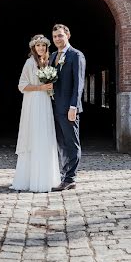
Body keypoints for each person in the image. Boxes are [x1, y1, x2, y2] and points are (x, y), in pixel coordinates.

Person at [11, 34, 61, 192]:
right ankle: (30, 179)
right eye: (38, 45)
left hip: (45, 102)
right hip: (33, 102)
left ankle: (47, 177)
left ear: (46, 48)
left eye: (43, 46)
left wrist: (51, 88)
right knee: (35, 135)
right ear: (33, 47)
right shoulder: (29, 63)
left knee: (45, 136)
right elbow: (22, 85)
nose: (40, 48)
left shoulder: (48, 62)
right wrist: (40, 88)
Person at [50, 24, 86, 191]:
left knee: (71, 143)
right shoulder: (52, 56)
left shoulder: (76, 55)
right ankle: (65, 175)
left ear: (68, 36)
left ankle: (70, 178)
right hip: (54, 108)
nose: (58, 39)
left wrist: (74, 106)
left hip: (69, 108)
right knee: (61, 143)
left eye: (60, 36)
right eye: (55, 36)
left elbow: (78, 84)